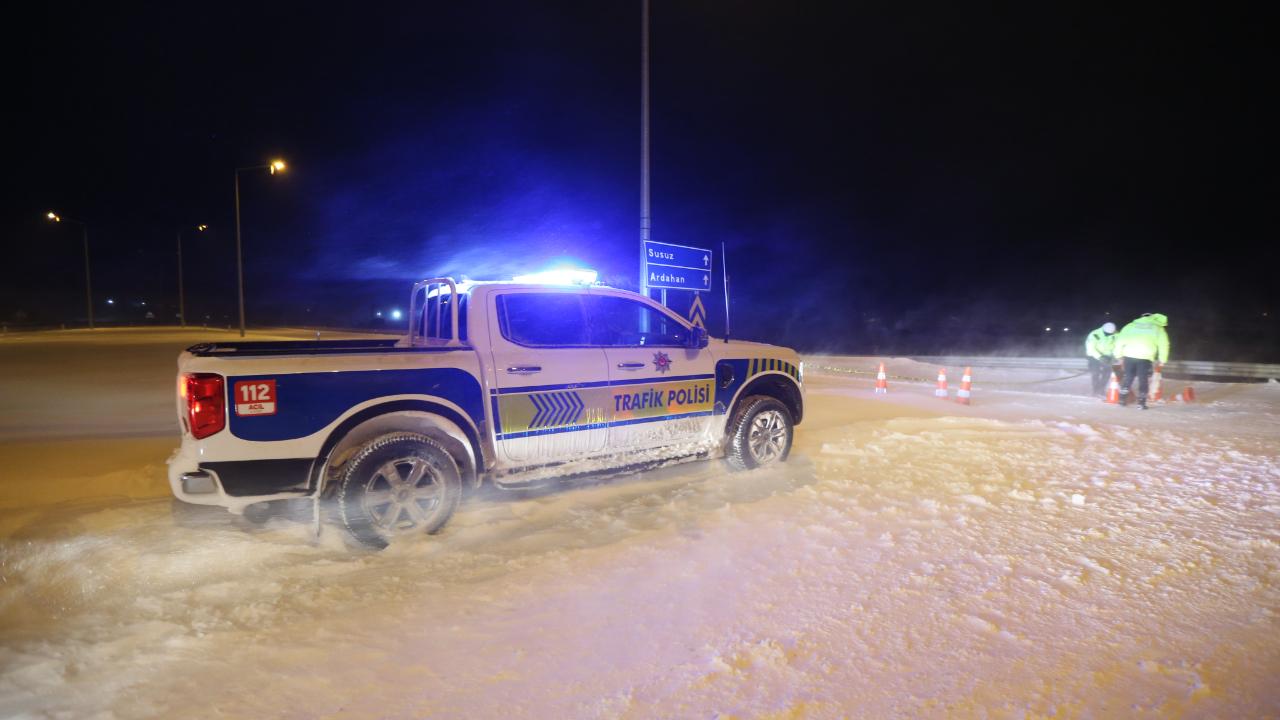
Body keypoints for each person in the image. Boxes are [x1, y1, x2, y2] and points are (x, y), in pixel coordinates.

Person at [1112, 313, 1170, 409]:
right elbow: (1164, 345)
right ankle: (1141, 403)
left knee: (1128, 377)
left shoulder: (1130, 326)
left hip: (1129, 356)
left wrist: (1118, 355)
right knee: (1143, 379)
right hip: (1145, 357)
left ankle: (1122, 400)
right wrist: (1162, 359)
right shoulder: (1158, 329)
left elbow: (1120, 341)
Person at [1084, 322, 1117, 396]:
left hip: (1107, 356)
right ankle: (1095, 390)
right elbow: (1091, 349)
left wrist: (1114, 356)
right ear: (1103, 330)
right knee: (1095, 373)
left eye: (1110, 334)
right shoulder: (1095, 334)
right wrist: (1100, 357)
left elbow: (1117, 346)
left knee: (1107, 373)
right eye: (1107, 334)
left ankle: (1102, 389)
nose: (1109, 335)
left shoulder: (1116, 334)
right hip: (1094, 356)